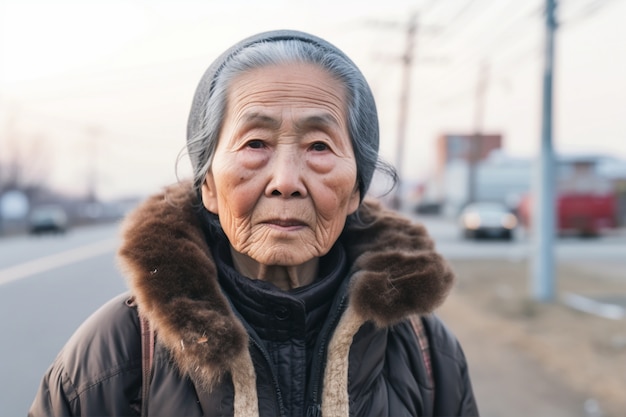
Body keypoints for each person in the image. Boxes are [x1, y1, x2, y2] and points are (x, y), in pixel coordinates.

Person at [29, 30, 479, 417]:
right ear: (207, 184)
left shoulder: (426, 354)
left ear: (356, 190)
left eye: (319, 146)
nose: (285, 182)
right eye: (255, 143)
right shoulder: (117, 352)